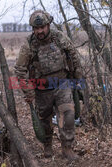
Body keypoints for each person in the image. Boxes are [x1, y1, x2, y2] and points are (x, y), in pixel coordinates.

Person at [14, 10, 83, 161]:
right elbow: (20, 69)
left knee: (68, 115)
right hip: (41, 88)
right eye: (36, 28)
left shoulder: (59, 37)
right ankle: (47, 145)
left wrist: (77, 78)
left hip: (62, 84)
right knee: (44, 120)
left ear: (48, 25)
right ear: (33, 28)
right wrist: (28, 91)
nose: (39, 31)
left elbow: (73, 55)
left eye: (42, 28)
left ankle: (67, 148)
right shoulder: (29, 44)